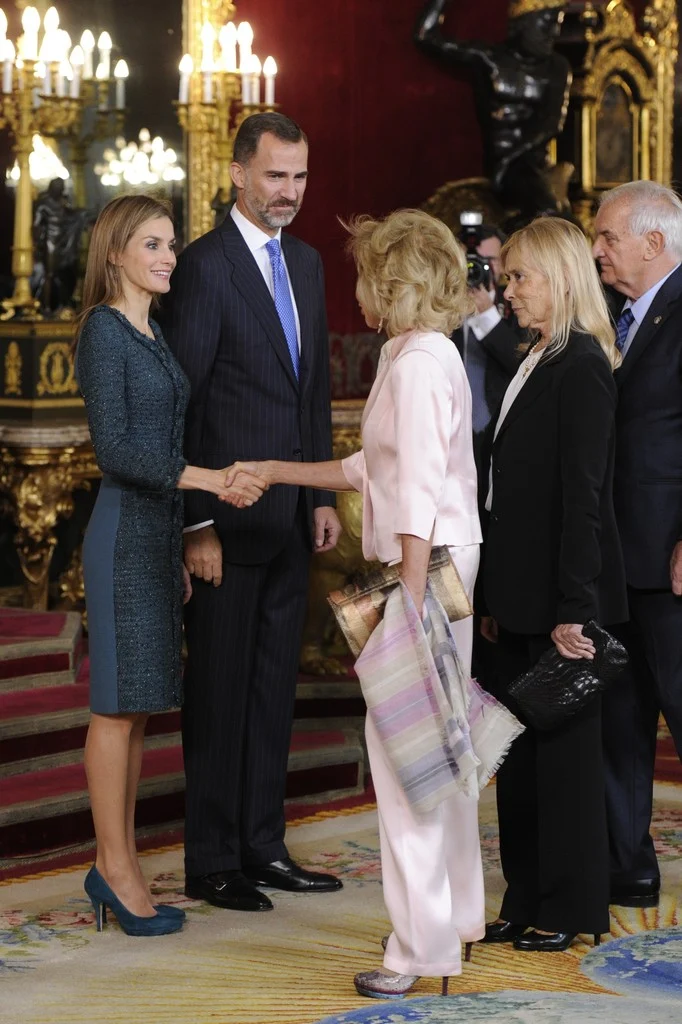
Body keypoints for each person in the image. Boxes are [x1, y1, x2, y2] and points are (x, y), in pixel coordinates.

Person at [227, 208, 487, 997]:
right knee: (442, 749)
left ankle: (415, 951)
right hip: (443, 558)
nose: (357, 290)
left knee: (406, 756)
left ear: (392, 280)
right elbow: (370, 466)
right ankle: (456, 922)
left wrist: (406, 603)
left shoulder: (413, 363)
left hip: (422, 567)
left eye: (367, 275)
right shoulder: (419, 351)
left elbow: (408, 493)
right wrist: (277, 467)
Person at [159, 113, 343, 913]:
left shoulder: (304, 262)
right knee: (222, 693)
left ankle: (264, 847)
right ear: (238, 174)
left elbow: (313, 391)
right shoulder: (201, 267)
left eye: (299, 177)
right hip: (224, 529)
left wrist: (323, 495)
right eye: (275, 176)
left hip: (292, 521)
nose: (289, 193)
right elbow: (182, 404)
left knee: (274, 690)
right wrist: (194, 521)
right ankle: (213, 858)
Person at [75, 195, 265, 936]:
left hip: (155, 537)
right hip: (123, 534)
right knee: (114, 709)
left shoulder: (148, 331)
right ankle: (115, 870)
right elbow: (117, 452)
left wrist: (184, 537)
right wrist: (211, 482)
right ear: (115, 251)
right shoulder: (102, 332)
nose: (166, 257)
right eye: (151, 244)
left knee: (140, 705)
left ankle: (114, 860)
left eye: (172, 245)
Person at [479, 216, 628, 951]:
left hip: (561, 600)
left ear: (560, 280)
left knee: (565, 765)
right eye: (507, 278)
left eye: (520, 277)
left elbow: (585, 497)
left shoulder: (584, 366)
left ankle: (569, 909)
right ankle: (526, 894)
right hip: (515, 596)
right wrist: (492, 600)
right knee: (519, 762)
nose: (508, 291)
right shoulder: (533, 357)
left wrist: (577, 607)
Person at [592, 180, 682, 909]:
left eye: (607, 238)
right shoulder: (616, 318)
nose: (596, 251)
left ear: (654, 243)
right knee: (620, 726)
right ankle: (631, 869)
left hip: (673, 565)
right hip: (616, 564)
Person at [414, 0, 571, 221]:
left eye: (557, 23)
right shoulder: (490, 59)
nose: (553, 32)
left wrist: (507, 162)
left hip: (532, 165)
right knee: (543, 211)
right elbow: (425, 36)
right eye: (546, 23)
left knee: (552, 214)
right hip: (500, 166)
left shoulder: (557, 67)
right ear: (524, 23)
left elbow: (551, 122)